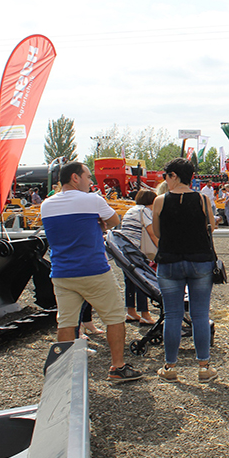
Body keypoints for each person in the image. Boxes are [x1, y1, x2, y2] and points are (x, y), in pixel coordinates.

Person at [41, 162, 142, 383]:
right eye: (88, 176)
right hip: (93, 269)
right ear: (75, 178)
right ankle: (117, 367)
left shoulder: (46, 205)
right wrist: (99, 224)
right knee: (114, 318)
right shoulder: (92, 200)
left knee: (66, 322)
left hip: (61, 272)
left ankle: (64, 371)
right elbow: (115, 221)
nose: (91, 181)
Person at [152, 158, 218, 383]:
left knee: (172, 315)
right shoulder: (202, 198)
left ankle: (170, 367)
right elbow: (212, 226)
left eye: (166, 175)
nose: (165, 180)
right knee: (200, 315)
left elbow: (157, 232)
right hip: (200, 260)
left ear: (174, 175)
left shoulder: (160, 200)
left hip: (169, 261)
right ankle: (204, 367)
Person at [120, 189, 159, 325]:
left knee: (130, 280)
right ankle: (145, 314)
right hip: (136, 250)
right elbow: (151, 232)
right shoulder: (145, 211)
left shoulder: (131, 210)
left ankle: (131, 312)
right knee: (142, 281)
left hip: (125, 249)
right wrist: (160, 248)